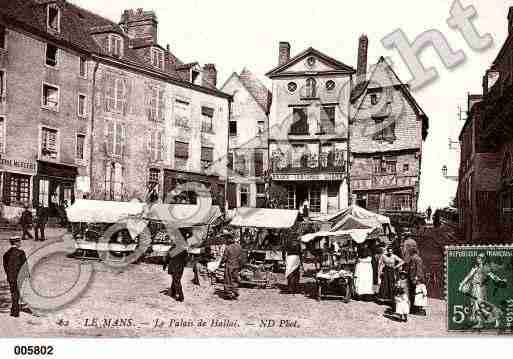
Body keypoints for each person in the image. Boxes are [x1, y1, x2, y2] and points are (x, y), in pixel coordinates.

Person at [458, 253, 506, 329]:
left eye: (483, 257)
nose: (481, 259)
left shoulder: (486, 268)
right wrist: (461, 285)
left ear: (485, 259)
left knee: (482, 305)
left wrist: (500, 280)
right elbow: (468, 277)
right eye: (480, 257)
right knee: (476, 305)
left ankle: (495, 318)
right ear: (477, 259)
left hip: (481, 288)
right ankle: (483, 322)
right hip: (474, 288)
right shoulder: (475, 268)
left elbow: (493, 276)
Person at [3, 236, 28, 317]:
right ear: (16, 243)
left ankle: (14, 310)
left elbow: (5, 267)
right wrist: (27, 276)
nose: (20, 243)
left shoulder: (6, 253)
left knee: (13, 293)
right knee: (17, 293)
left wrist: (8, 275)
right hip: (19, 277)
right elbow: (24, 266)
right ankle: (15, 311)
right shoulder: (21, 253)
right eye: (19, 242)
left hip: (10, 277)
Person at [220, 232, 242, 300]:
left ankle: (229, 294)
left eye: (226, 239)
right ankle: (235, 292)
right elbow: (240, 257)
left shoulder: (228, 247)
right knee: (235, 279)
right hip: (236, 265)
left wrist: (220, 263)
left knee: (228, 280)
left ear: (229, 239)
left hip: (229, 265)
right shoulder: (239, 246)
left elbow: (224, 258)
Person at [407, 247, 426, 315]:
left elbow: (419, 270)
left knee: (416, 294)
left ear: (412, 252)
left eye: (409, 252)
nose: (408, 253)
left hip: (415, 279)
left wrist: (416, 278)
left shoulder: (417, 259)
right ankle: (414, 308)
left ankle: (417, 309)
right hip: (412, 278)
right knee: (413, 294)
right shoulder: (413, 258)